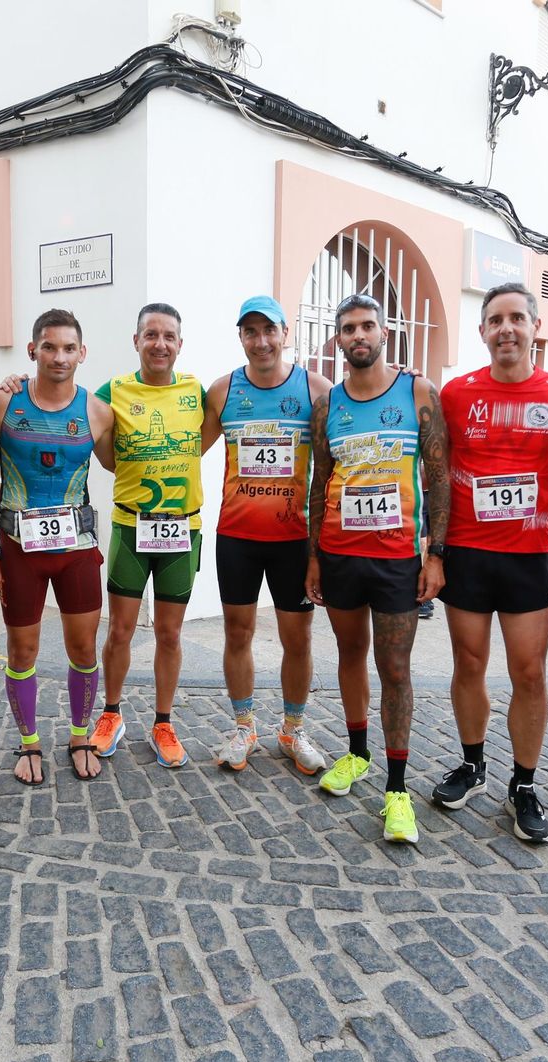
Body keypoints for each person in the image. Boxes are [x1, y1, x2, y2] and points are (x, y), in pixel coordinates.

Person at [432, 283, 548, 843]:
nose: (507, 329)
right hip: (469, 553)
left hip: (527, 556)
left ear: (534, 327)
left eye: (517, 318)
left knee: (529, 673)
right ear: (482, 332)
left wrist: (545, 500)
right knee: (469, 664)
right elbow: (439, 467)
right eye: (496, 320)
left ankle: (524, 784)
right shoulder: (456, 394)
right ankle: (472, 765)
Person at [305, 293, 450, 844]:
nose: (358, 335)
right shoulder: (328, 407)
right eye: (348, 328)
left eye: (367, 325)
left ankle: (397, 790)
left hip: (397, 560)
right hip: (340, 553)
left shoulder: (418, 394)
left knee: (395, 669)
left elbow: (439, 480)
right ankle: (357, 753)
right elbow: (320, 483)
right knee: (349, 655)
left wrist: (436, 554)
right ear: (338, 339)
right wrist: (314, 555)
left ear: (384, 332)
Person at [0, 310, 116, 784]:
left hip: (76, 548)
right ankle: (30, 743)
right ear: (32, 350)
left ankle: (81, 735)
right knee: (22, 651)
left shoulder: (98, 412)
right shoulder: (3, 404)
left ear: (82, 353)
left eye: (68, 348)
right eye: (49, 346)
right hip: (19, 547)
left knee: (83, 647)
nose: (59, 356)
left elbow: (122, 465)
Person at [202, 295, 330, 774]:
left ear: (285, 333)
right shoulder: (222, 390)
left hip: (294, 539)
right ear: (241, 337)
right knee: (238, 633)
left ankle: (293, 731)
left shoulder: (315, 388)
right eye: (250, 332)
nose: (261, 341)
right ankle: (243, 727)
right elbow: (184, 446)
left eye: (269, 330)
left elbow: (338, 459)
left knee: (297, 639)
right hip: (237, 535)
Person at [90, 303, 207, 768]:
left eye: (169, 336)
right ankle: (111, 714)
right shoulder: (112, 390)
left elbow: (206, 439)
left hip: (182, 528)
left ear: (180, 344)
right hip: (131, 525)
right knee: (119, 629)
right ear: (135, 341)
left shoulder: (198, 392)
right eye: (151, 335)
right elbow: (69, 411)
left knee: (169, 633)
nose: (160, 343)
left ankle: (163, 721)